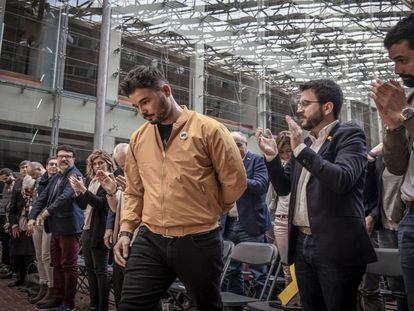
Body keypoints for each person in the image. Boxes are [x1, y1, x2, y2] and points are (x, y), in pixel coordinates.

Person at [113, 65, 247, 311]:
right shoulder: (139, 139)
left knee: (207, 306)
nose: (142, 111)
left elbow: (235, 181)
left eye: (145, 102)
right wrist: (126, 230)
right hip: (151, 236)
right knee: (131, 305)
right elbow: (134, 191)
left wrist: (216, 207)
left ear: (165, 90)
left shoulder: (209, 129)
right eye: (136, 106)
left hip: (198, 238)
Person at [257, 79, 376, 311]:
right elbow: (283, 188)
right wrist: (272, 158)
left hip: (335, 245)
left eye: (305, 103)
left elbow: (342, 179)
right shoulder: (307, 143)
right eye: (299, 104)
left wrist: (300, 149)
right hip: (301, 242)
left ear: (327, 107)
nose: (299, 109)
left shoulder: (349, 135)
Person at [369, 13, 414, 310]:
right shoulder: (409, 99)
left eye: (402, 59)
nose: (397, 70)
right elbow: (397, 167)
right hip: (409, 216)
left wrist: (404, 117)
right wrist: (394, 127)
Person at [29, 145, 84, 311]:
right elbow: (43, 197)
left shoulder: (75, 175)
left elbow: (65, 198)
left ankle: (69, 304)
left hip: (69, 227)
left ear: (73, 158)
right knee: (57, 264)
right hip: (55, 227)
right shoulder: (56, 176)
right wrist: (32, 216)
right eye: (60, 156)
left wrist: (46, 212)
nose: (63, 159)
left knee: (69, 266)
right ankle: (58, 298)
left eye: (68, 156)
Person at [223, 131, 270, 296]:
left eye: (239, 144)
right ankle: (235, 306)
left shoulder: (257, 160)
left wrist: (237, 176)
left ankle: (259, 304)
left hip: (250, 224)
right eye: (232, 144)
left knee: (259, 273)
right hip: (228, 224)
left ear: (246, 145)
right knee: (231, 271)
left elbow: (260, 186)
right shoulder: (223, 163)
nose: (235, 148)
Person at [69, 150, 115, 311]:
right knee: (90, 270)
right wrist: (77, 190)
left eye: (100, 163)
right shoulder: (91, 180)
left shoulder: (109, 180)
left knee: (100, 271)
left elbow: (101, 204)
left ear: (108, 163)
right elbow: (84, 205)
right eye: (94, 163)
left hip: (101, 230)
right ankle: (94, 304)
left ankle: (103, 306)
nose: (97, 166)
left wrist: (84, 189)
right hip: (87, 229)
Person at [100, 143, 128, 308]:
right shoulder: (122, 178)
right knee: (118, 287)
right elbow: (116, 207)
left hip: (140, 240)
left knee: (135, 293)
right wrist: (111, 192)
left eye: (126, 164)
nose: (124, 168)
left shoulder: (149, 175)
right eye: (121, 165)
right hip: (121, 239)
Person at [27, 157, 58, 304]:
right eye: (51, 164)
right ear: (46, 166)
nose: (53, 166)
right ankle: (43, 286)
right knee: (38, 255)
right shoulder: (41, 180)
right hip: (38, 220)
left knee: (47, 256)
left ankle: (51, 289)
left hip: (50, 220)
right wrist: (31, 217)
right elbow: (36, 200)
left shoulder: (59, 180)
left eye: (55, 164)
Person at [8, 174, 36, 288]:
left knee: (29, 256)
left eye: (31, 188)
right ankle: (20, 278)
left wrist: (32, 224)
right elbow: (12, 209)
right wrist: (13, 225)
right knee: (18, 255)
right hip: (19, 226)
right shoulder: (17, 193)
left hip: (31, 228)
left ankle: (31, 282)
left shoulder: (36, 195)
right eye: (26, 189)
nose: (28, 191)